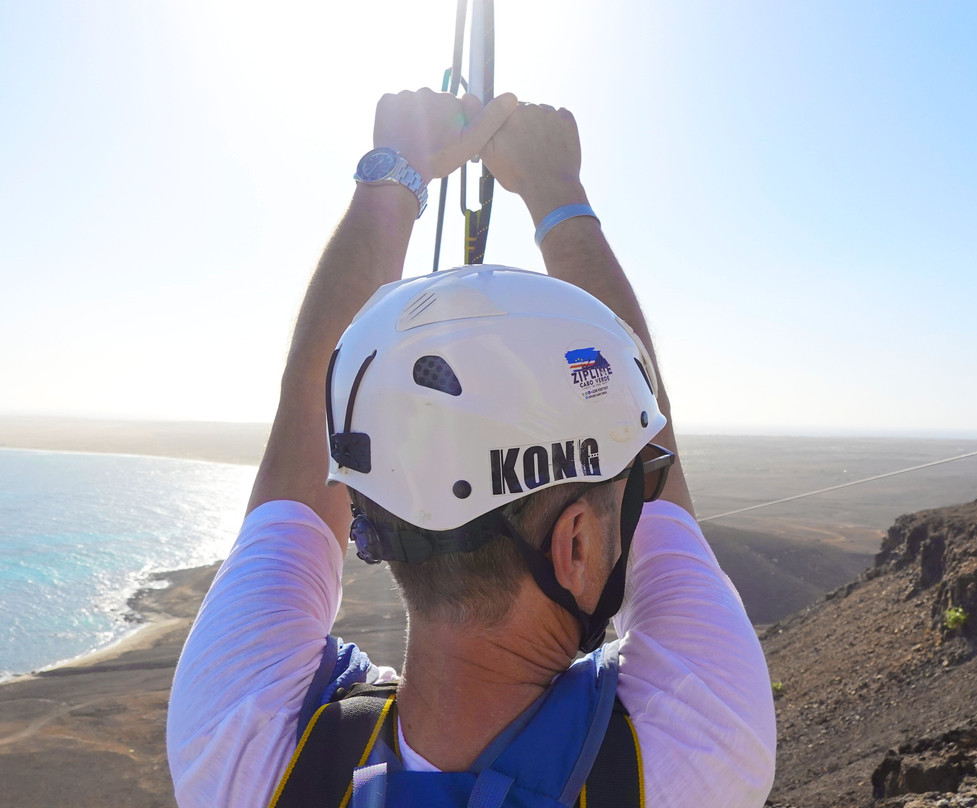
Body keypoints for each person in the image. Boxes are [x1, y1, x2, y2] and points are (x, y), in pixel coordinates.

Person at [166, 89, 776, 807]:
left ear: (372, 507)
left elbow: (307, 420)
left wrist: (393, 174)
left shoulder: (247, 754)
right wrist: (556, 190)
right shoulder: (692, 755)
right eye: (628, 493)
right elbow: (643, 427)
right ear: (574, 546)